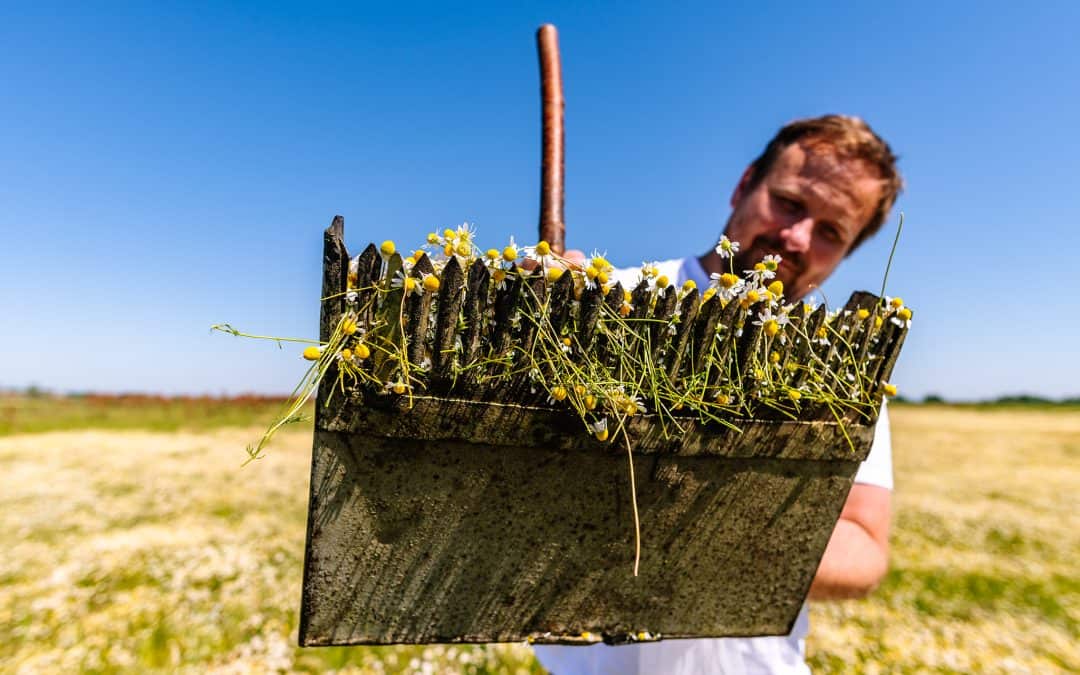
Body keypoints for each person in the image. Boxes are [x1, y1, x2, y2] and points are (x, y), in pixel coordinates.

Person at [532, 114, 904, 674]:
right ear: (744, 185)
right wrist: (531, 316)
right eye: (790, 203)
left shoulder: (839, 365)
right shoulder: (615, 301)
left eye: (831, 232)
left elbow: (865, 554)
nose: (797, 238)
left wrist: (702, 519)